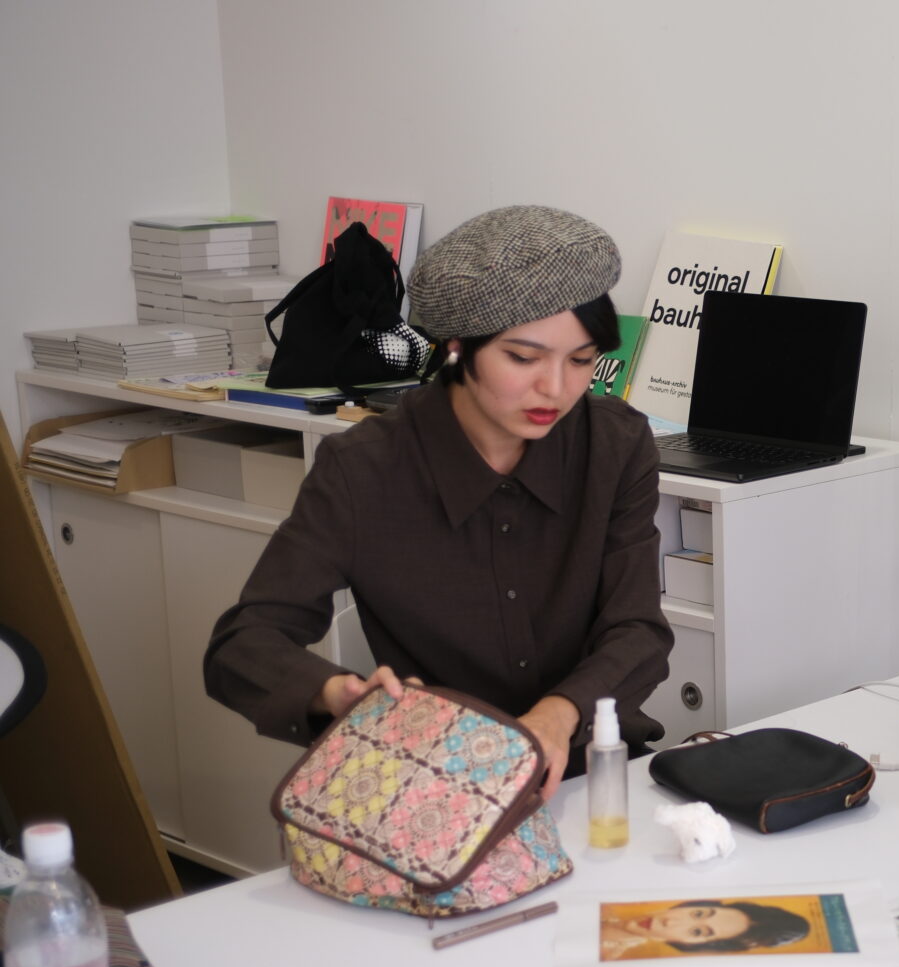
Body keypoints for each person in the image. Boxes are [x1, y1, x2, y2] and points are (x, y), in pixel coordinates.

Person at [204, 206, 674, 791]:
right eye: (523, 358)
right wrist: (337, 694)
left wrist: (558, 716)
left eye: (581, 360)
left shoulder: (615, 444)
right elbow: (244, 643)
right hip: (437, 782)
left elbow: (638, 630)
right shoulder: (364, 469)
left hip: (593, 767)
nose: (556, 388)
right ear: (456, 349)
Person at [600, 900, 811, 958]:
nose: (670, 922)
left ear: (689, 945)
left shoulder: (607, 956)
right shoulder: (605, 908)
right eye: (698, 914)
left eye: (697, 932)